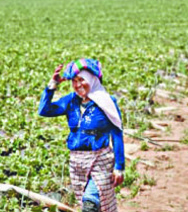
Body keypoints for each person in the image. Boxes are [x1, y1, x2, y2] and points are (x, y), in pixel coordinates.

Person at [38, 58, 125, 212]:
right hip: (77, 161)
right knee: (92, 204)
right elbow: (44, 110)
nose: (78, 85)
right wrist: (53, 85)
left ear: (92, 80)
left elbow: (117, 134)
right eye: (74, 81)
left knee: (90, 202)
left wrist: (119, 166)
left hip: (101, 160)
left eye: (82, 80)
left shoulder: (106, 102)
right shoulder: (71, 101)